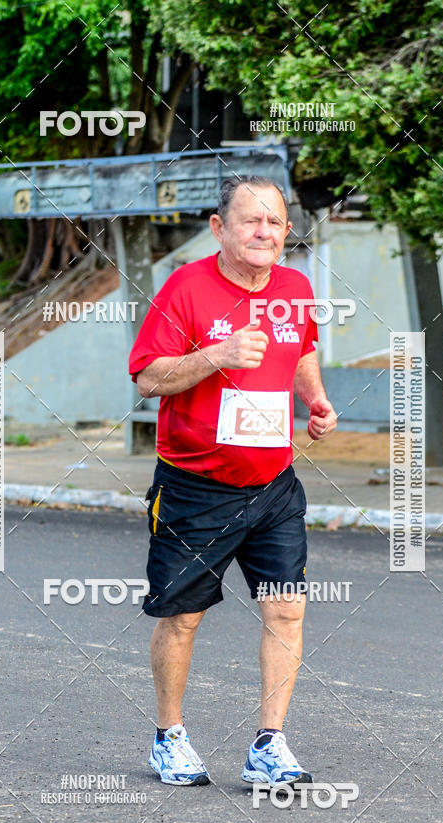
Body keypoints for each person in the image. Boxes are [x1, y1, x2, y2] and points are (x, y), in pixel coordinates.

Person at [128, 175, 337, 788]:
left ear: (287, 232)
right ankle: (169, 738)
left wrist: (317, 401)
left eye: (274, 222)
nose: (263, 232)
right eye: (250, 221)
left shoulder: (295, 288)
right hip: (195, 487)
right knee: (184, 617)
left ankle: (268, 744)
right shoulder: (186, 288)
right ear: (219, 228)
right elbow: (148, 378)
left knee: (286, 609)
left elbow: (300, 351)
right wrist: (216, 354)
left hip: (273, 485)